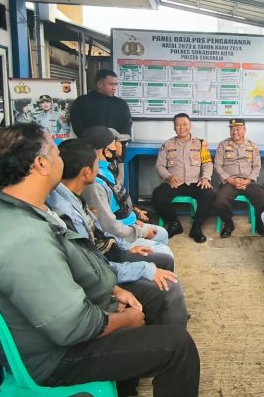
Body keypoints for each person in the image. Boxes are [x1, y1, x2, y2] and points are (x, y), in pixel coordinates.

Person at [0, 123, 199, 396]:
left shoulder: (30, 208)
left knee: (155, 295)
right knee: (178, 347)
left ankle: (127, 385)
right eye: (57, 154)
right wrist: (126, 320)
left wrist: (114, 289)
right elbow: (74, 327)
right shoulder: (23, 238)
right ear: (41, 164)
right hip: (58, 358)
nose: (61, 161)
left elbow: (77, 258)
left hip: (79, 313)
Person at [47, 139, 189, 329]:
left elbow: (99, 231)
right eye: (96, 164)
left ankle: (168, 313)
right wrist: (143, 269)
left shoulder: (73, 197)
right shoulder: (67, 209)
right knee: (170, 286)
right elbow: (94, 268)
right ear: (86, 172)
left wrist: (128, 246)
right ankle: (170, 337)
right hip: (103, 273)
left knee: (163, 260)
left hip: (108, 255)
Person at [80, 126, 171, 246]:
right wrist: (140, 232)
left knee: (161, 232)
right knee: (162, 240)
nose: (120, 146)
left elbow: (117, 199)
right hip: (116, 236)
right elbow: (109, 226)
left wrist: (133, 217)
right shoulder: (95, 183)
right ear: (106, 151)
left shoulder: (105, 169)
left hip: (125, 223)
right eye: (114, 144)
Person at [152, 113, 216, 243]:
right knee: (157, 196)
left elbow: (208, 163)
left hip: (195, 182)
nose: (182, 127)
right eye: (178, 125)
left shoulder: (201, 144)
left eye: (185, 124)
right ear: (174, 127)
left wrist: (205, 178)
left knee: (210, 194)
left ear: (190, 125)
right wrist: (169, 177)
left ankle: (196, 227)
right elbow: (159, 166)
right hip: (175, 182)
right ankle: (174, 223)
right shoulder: (167, 144)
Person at [213, 118, 264, 238]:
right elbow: (217, 165)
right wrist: (230, 180)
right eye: (232, 129)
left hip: (248, 182)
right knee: (219, 202)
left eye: (238, 129)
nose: (235, 132)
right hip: (230, 182)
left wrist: (249, 180)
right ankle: (228, 224)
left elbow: (256, 166)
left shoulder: (252, 145)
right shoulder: (223, 145)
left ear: (244, 130)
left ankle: (260, 224)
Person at [70, 69, 132, 138]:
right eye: (111, 84)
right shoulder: (81, 102)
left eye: (115, 85)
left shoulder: (121, 104)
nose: (114, 88)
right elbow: (77, 126)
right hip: (90, 146)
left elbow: (127, 127)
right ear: (99, 84)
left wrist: (118, 142)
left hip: (115, 146)